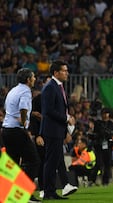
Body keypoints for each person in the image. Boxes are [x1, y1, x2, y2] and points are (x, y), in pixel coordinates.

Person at [1, 68, 41, 203]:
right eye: (33, 77)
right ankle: (26, 195)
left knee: (13, 164)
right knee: (33, 161)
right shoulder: (25, 91)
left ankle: (11, 196)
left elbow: (7, 109)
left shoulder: (13, 90)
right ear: (28, 79)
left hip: (7, 130)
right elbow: (23, 108)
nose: (35, 79)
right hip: (17, 130)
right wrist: (24, 122)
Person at [40, 60, 75, 200]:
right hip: (52, 130)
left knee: (53, 162)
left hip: (57, 130)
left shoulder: (57, 86)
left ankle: (51, 191)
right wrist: (66, 118)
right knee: (50, 162)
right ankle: (48, 191)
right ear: (56, 72)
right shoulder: (50, 87)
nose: (67, 73)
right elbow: (48, 111)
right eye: (64, 71)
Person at [93, 108, 113, 186]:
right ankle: (92, 179)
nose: (105, 115)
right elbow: (96, 133)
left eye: (106, 113)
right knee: (98, 163)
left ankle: (105, 181)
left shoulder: (111, 124)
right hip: (99, 145)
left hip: (108, 145)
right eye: (104, 113)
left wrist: (111, 136)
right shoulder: (98, 123)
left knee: (108, 164)